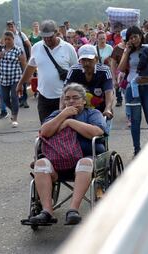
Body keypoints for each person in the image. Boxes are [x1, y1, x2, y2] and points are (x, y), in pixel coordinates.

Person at [28, 83, 108, 225]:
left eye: (75, 98)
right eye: (67, 98)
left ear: (84, 100)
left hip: (86, 158)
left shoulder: (92, 114)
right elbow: (44, 132)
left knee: (84, 163)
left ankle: (73, 210)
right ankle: (46, 211)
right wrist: (63, 115)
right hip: (57, 161)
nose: (71, 101)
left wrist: (70, 122)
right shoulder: (56, 115)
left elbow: (97, 132)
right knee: (40, 163)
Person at [17, 20, 78, 124]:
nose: (47, 39)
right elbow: (30, 67)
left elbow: (76, 72)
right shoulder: (36, 47)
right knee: (46, 129)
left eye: (49, 36)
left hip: (65, 98)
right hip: (44, 97)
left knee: (65, 129)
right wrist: (20, 83)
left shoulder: (68, 48)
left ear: (56, 32)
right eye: (44, 37)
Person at [118, 26, 148, 156]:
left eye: (136, 36)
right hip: (132, 88)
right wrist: (126, 51)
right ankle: (137, 149)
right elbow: (121, 68)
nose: (134, 39)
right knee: (135, 120)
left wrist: (147, 79)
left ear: (141, 36)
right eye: (131, 38)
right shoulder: (129, 51)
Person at [65, 44, 113, 120]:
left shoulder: (104, 70)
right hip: (79, 110)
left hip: (101, 110)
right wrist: (62, 109)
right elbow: (65, 90)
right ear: (79, 60)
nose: (86, 63)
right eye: (83, 60)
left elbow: (109, 91)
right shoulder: (74, 70)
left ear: (96, 59)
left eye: (90, 60)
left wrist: (108, 108)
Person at [0, 31, 27, 127]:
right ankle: (13, 111)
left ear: (13, 39)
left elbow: (24, 64)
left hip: (15, 77)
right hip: (3, 78)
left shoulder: (18, 50)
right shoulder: (0, 48)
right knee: (5, 98)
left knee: (14, 97)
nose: (7, 41)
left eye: (9, 39)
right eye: (5, 39)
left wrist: (25, 77)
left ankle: (14, 118)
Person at [6, 20, 32, 108]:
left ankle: (24, 100)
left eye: (11, 26)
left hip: (22, 61)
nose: (10, 28)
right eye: (8, 26)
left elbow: (28, 45)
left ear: (15, 26)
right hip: (12, 63)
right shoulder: (7, 37)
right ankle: (19, 99)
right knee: (15, 81)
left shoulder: (21, 34)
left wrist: (30, 57)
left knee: (23, 79)